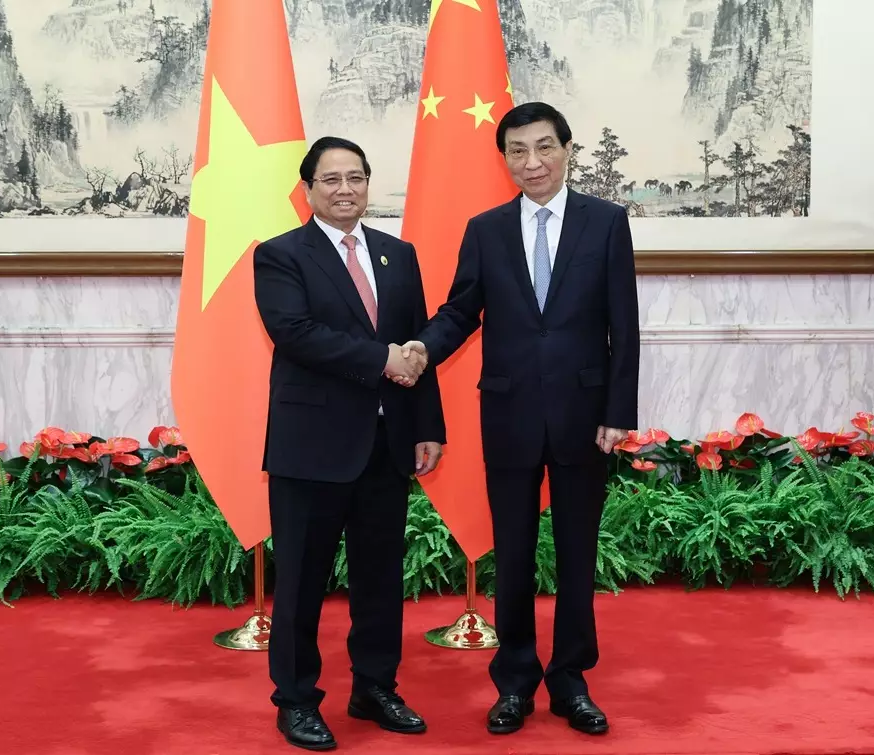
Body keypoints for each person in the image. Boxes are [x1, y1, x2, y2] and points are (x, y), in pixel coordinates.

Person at [397, 102, 640, 737]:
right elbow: (460, 311)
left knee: (577, 553)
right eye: (517, 151)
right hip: (508, 414)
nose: (532, 163)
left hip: (585, 417)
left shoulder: (606, 222)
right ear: (504, 159)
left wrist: (618, 411)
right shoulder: (487, 229)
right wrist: (422, 348)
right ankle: (514, 682)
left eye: (543, 147)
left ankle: (571, 680)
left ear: (567, 149)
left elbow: (625, 325)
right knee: (513, 555)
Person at [253, 136, 446, 751]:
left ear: (367, 183)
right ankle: (296, 700)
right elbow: (295, 333)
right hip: (311, 447)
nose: (345, 189)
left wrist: (428, 426)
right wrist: (381, 358)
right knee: (302, 582)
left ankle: (375, 687)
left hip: (387, 445)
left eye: (355, 177)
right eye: (331, 179)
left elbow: (417, 346)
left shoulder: (398, 254)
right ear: (308, 188)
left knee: (380, 579)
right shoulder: (281, 255)